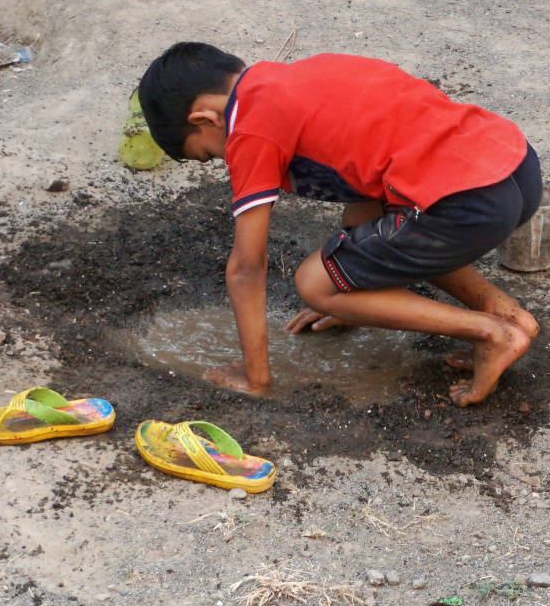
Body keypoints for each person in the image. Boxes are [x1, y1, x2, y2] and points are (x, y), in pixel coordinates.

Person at [137, 42, 541, 407]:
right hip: (515, 169)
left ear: (205, 119)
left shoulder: (249, 128)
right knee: (369, 231)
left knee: (315, 283)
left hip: (466, 205)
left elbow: (247, 267)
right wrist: (356, 294)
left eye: (210, 155)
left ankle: (492, 333)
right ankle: (507, 314)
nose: (224, 160)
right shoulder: (307, 74)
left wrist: (254, 377)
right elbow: (367, 195)